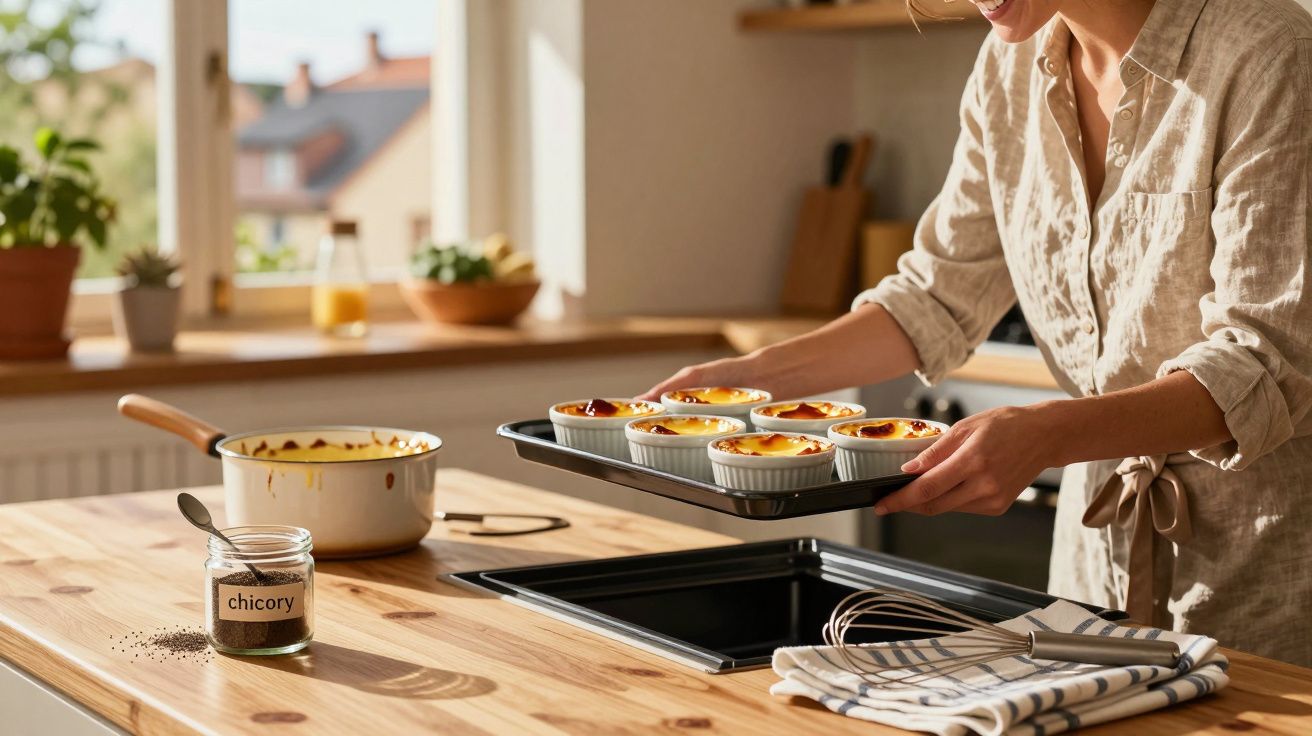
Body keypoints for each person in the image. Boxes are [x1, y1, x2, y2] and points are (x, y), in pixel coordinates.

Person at [642, 0, 1312, 665]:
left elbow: (1263, 362)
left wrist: (1048, 435)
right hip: (1090, 566)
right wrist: (745, 386)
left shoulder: (1269, 53)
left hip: (1264, 572)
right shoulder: (1009, 65)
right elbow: (937, 296)